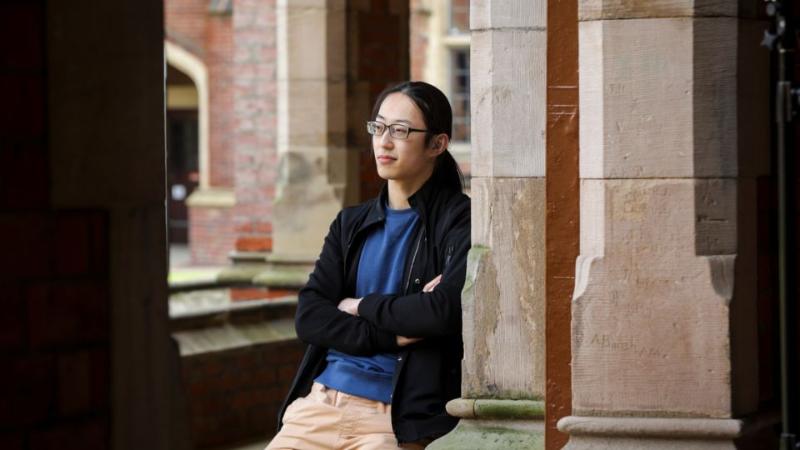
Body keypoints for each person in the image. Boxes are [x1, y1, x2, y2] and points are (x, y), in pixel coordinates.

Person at [266, 81, 470, 450]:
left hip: (393, 418)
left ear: (437, 145)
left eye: (401, 131)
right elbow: (310, 317)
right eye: (379, 127)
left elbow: (441, 312)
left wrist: (359, 306)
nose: (384, 141)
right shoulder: (350, 225)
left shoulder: (458, 221)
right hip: (319, 405)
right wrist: (390, 333)